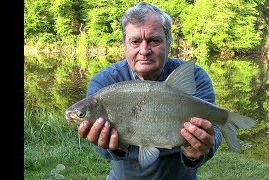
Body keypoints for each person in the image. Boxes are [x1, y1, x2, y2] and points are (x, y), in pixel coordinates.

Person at [77, 2, 222, 180]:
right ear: (124, 45)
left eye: (154, 40)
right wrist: (111, 146)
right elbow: (101, 147)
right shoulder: (106, 82)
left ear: (168, 42)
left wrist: (197, 151)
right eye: (135, 41)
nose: (144, 51)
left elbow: (214, 130)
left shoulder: (194, 76)